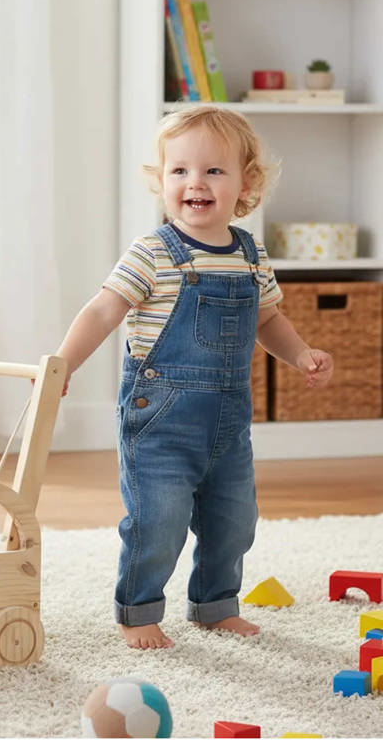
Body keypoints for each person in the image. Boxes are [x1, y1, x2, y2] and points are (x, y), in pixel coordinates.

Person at [56, 105, 333, 650]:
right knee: (157, 520)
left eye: (213, 170)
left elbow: (267, 319)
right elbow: (103, 311)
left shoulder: (252, 255)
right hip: (159, 420)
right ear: (161, 181)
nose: (195, 183)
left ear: (245, 183)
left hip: (228, 424)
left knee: (235, 519)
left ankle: (215, 604)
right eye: (179, 171)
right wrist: (64, 362)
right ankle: (137, 611)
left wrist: (300, 354)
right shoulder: (153, 254)